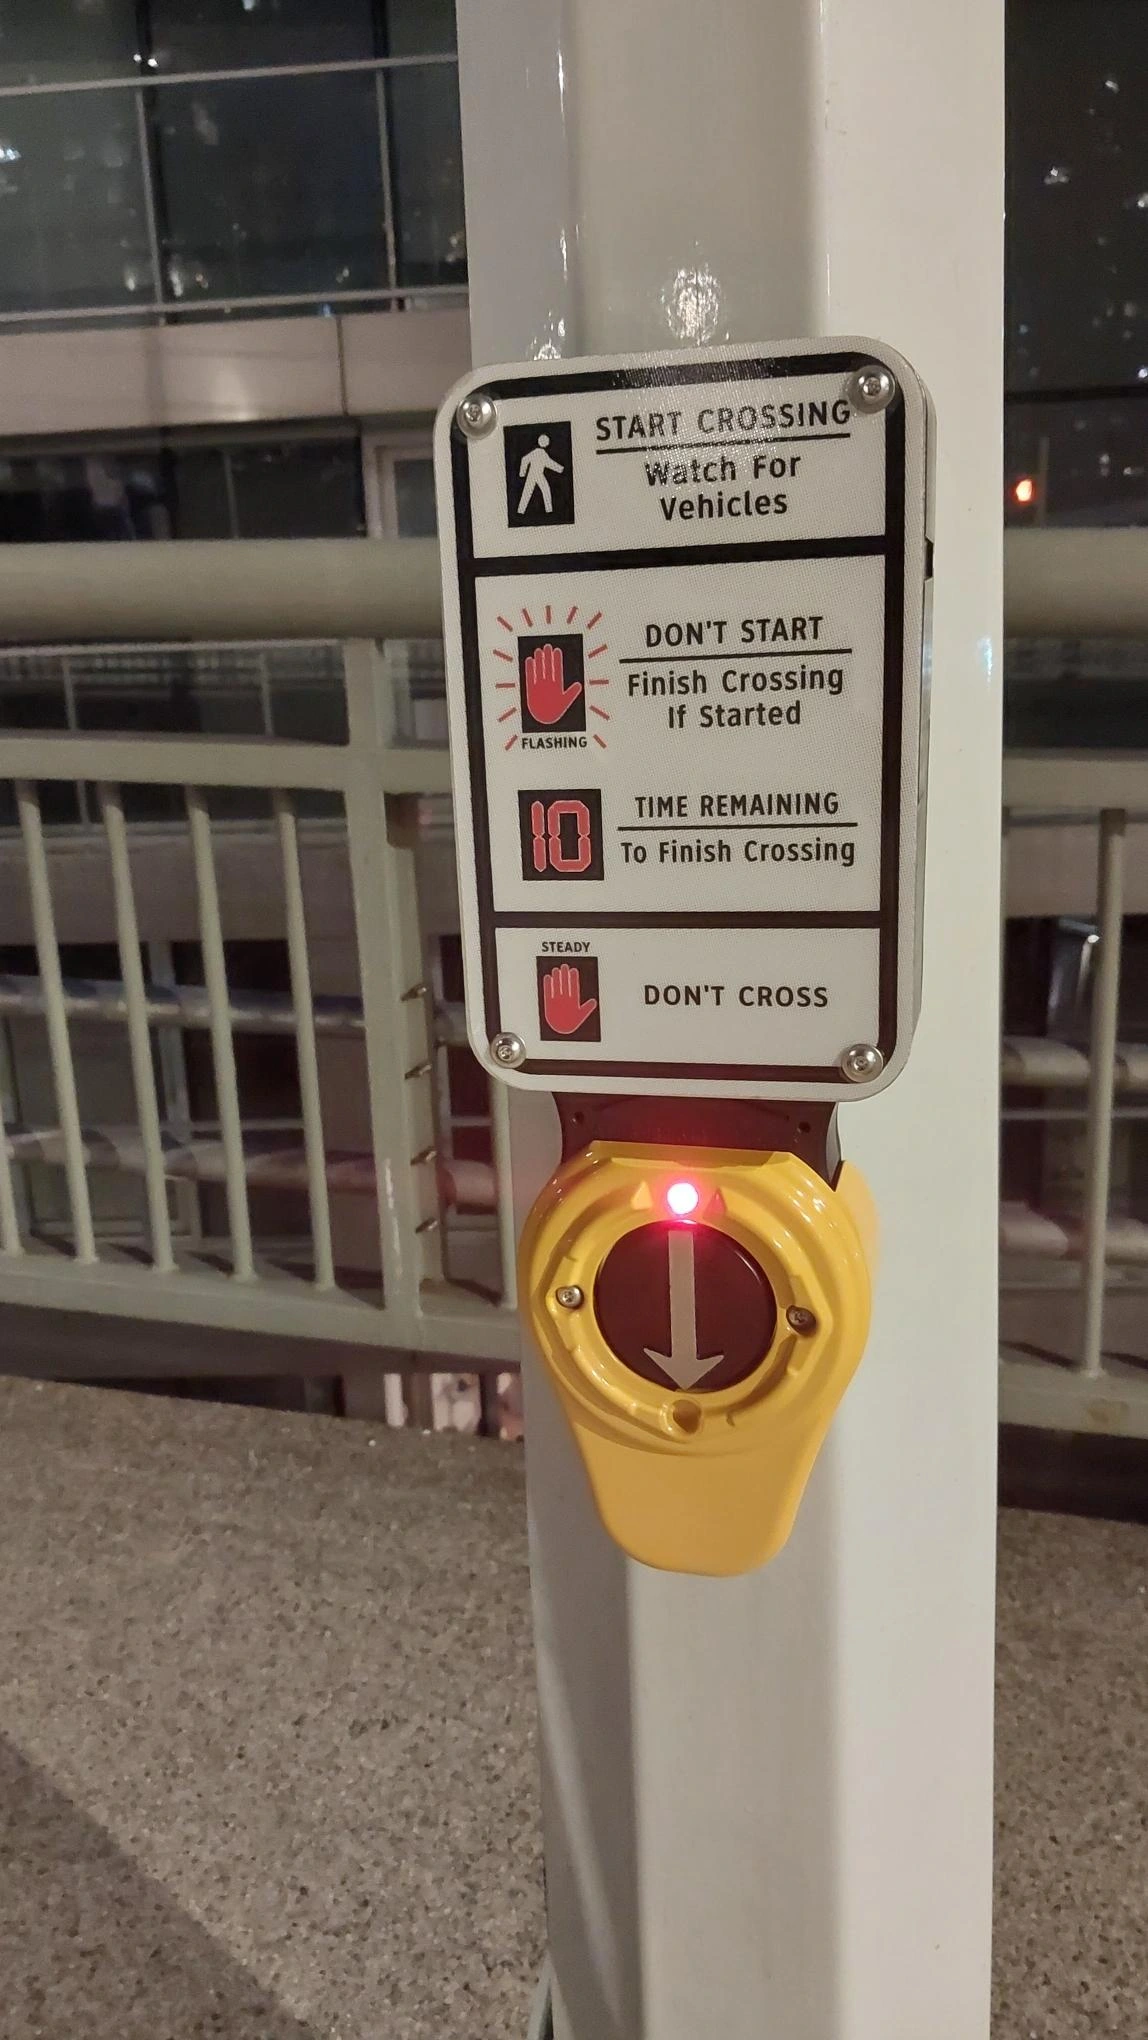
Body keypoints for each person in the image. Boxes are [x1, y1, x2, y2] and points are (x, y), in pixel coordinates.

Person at [517, 432, 565, 515]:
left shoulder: (537, 453)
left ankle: (521, 511)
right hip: (536, 475)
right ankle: (548, 510)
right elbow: (550, 464)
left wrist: (522, 473)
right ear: (546, 443)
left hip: (536, 475)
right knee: (543, 490)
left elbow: (524, 459)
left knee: (533, 491)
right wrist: (560, 469)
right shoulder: (541, 454)